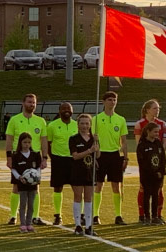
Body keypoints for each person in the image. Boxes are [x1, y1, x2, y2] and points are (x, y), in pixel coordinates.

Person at [5, 94, 48, 226]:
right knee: (17, 186)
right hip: (18, 156)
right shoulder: (14, 120)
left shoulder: (40, 121)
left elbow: (44, 140)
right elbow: (9, 139)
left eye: (34, 103)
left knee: (35, 186)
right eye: (29, 102)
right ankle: (13, 216)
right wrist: (9, 157)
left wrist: (44, 157)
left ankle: (35, 216)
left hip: (34, 156)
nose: (32, 105)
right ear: (23, 103)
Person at [92, 91, 128, 225]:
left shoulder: (121, 119)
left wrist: (126, 158)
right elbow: (92, 139)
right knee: (98, 185)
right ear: (103, 102)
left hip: (115, 155)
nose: (112, 102)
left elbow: (123, 141)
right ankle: (95, 215)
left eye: (114, 100)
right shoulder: (96, 119)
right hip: (101, 155)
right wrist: (95, 155)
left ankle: (118, 215)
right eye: (109, 100)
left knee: (116, 186)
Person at [134, 99, 166, 224]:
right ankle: (143, 215)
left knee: (158, 189)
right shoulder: (140, 124)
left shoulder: (162, 124)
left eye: (158, 108)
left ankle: (157, 215)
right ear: (147, 110)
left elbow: (163, 144)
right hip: (146, 161)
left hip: (157, 159)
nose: (157, 111)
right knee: (144, 189)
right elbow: (139, 144)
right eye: (154, 108)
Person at [46, 103, 77, 225]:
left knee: (77, 188)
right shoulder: (52, 125)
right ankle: (58, 215)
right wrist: (52, 157)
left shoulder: (77, 125)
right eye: (64, 109)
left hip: (74, 160)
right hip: (58, 160)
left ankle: (79, 215)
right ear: (59, 111)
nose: (66, 111)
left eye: (69, 109)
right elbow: (48, 143)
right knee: (58, 188)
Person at [70, 114, 98, 236]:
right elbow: (75, 156)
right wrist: (89, 151)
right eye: (82, 123)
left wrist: (97, 144)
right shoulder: (74, 139)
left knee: (88, 198)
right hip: (78, 171)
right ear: (78, 124)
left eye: (87, 123)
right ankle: (77, 226)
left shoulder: (93, 139)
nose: (84, 126)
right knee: (77, 197)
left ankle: (88, 225)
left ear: (90, 125)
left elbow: (98, 156)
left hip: (90, 171)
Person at [11, 133, 42, 233]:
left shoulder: (35, 155)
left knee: (31, 205)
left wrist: (37, 176)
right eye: (24, 142)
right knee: (23, 204)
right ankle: (23, 224)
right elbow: (13, 169)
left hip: (33, 185)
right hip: (22, 184)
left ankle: (29, 223)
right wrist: (19, 177)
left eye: (29, 142)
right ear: (20, 143)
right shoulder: (16, 155)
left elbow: (38, 168)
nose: (27, 144)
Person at [137, 123, 165, 225]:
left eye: (158, 132)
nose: (157, 134)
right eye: (155, 132)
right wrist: (153, 173)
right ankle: (146, 217)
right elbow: (142, 162)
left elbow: (162, 159)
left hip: (158, 176)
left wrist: (161, 172)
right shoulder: (142, 145)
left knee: (155, 195)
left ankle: (155, 216)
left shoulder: (158, 143)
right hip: (147, 176)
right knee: (146, 195)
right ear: (148, 131)